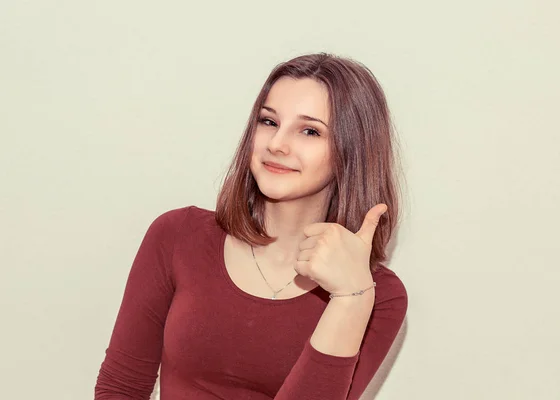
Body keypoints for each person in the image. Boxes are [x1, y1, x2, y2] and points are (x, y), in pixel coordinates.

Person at [95, 52, 408, 400]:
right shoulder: (177, 236)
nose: (276, 144)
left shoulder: (378, 295)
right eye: (269, 122)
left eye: (309, 131)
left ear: (352, 152)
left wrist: (350, 299)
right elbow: (119, 389)